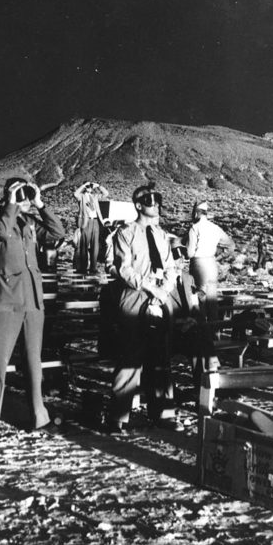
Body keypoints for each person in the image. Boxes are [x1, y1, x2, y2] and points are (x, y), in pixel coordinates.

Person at [0, 178, 66, 444]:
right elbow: (3, 231)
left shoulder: (28, 223)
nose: (25, 197)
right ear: (7, 195)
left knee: (33, 363)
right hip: (7, 300)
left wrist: (40, 203)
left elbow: (57, 233)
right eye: (20, 192)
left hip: (33, 300)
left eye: (27, 192)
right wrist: (12, 202)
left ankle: (40, 417)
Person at [105, 182, 184, 434]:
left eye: (157, 201)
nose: (156, 205)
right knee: (130, 356)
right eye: (150, 201)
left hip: (161, 298)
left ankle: (163, 413)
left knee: (161, 358)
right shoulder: (126, 233)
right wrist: (150, 289)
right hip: (135, 297)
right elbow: (123, 268)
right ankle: (118, 416)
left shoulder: (162, 235)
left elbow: (172, 266)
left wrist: (165, 290)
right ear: (138, 205)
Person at [185, 201, 235, 323]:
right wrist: (218, 257)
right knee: (212, 301)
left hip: (198, 264)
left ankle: (201, 332)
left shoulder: (194, 228)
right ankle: (214, 333)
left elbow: (189, 253)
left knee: (199, 298)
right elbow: (231, 245)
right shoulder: (215, 228)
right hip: (212, 264)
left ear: (196, 213)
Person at [74, 181, 108, 274]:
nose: (89, 188)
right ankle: (83, 268)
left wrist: (98, 186)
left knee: (95, 245)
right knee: (84, 244)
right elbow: (75, 193)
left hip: (96, 221)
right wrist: (83, 185)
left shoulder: (95, 196)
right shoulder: (81, 196)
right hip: (86, 221)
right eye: (88, 187)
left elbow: (106, 193)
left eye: (90, 187)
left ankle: (93, 268)